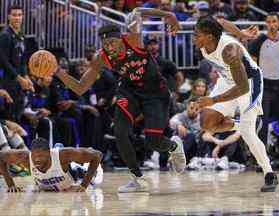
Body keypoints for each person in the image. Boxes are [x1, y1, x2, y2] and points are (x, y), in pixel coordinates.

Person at [56, 7, 186, 193]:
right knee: (120, 131)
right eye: (106, 44)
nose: (110, 47)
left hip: (155, 93)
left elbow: (138, 11)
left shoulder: (134, 38)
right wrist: (58, 72)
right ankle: (137, 178)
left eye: (113, 43)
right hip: (129, 92)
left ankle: (173, 145)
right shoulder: (101, 58)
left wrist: (169, 15)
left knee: (153, 140)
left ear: (121, 38)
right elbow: (80, 87)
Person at [193, 16, 278, 192]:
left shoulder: (229, 51)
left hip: (249, 82)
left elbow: (242, 87)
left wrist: (213, 99)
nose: (194, 38)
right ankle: (241, 124)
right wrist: (242, 34)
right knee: (207, 122)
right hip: (228, 80)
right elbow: (221, 21)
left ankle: (269, 173)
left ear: (209, 36)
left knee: (248, 133)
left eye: (197, 35)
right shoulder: (207, 42)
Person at [248, 12, 279, 165]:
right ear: (266, 24)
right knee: (262, 125)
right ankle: (262, 161)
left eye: (274, 22)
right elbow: (252, 66)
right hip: (264, 87)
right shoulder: (259, 41)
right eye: (269, 22)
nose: (272, 24)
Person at [0, 137, 102, 192]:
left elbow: (97, 155)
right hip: (48, 186)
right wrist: (10, 184)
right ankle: (58, 146)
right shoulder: (25, 157)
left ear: (49, 153)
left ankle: (81, 158)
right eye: (35, 156)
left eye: (41, 156)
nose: (37, 160)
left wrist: (84, 184)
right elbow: (1, 157)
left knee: (93, 178)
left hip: (74, 174)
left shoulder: (64, 155)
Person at [0, 4, 34, 121]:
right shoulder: (5, 35)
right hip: (8, 81)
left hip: (19, 81)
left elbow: (23, 59)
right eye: (14, 15)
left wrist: (26, 76)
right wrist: (19, 78)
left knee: (18, 115)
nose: (17, 18)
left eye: (19, 15)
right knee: (10, 116)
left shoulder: (21, 35)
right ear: (9, 16)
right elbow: (3, 61)